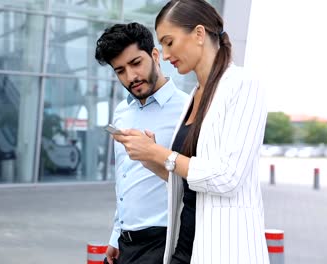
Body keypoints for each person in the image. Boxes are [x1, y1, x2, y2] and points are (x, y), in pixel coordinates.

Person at [113, 1, 270, 263]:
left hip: (224, 247)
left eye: (169, 42)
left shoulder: (243, 85)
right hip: (186, 244)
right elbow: (188, 184)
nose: (164, 54)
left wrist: (160, 153)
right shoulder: (195, 95)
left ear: (199, 34)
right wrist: (151, 160)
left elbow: (227, 177)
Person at [95, 22, 189, 264]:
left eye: (136, 63)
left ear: (155, 55)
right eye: (120, 70)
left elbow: (195, 179)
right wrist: (116, 236)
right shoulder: (121, 111)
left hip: (165, 240)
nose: (131, 77)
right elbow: (125, 179)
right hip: (126, 242)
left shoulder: (187, 110)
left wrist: (155, 154)